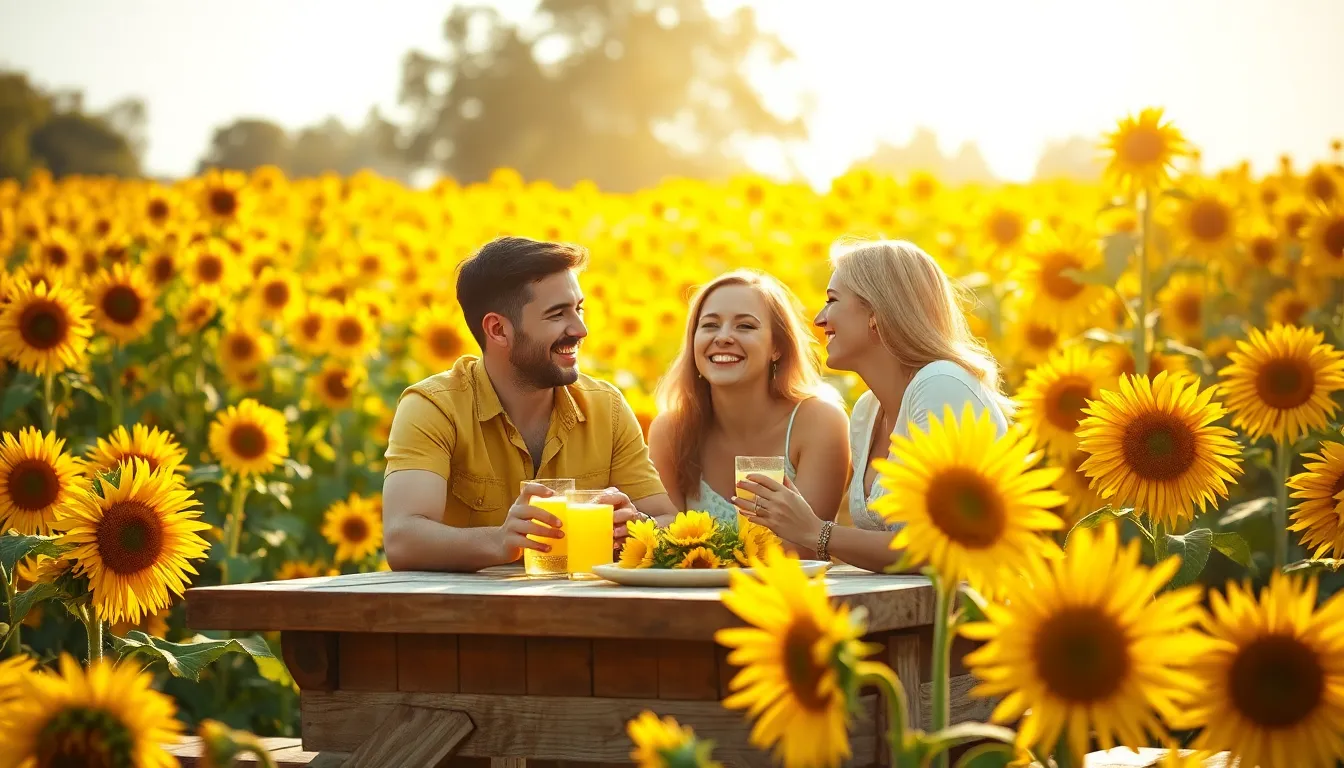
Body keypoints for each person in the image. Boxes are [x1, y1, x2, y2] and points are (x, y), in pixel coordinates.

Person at [381, 236, 679, 572]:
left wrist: (638, 526)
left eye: (578, 309)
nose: (581, 330)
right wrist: (500, 541)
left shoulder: (606, 407)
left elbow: (666, 517)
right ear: (498, 329)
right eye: (557, 314)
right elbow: (402, 539)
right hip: (465, 618)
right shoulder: (434, 407)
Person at [731, 240, 1013, 573]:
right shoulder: (867, 411)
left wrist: (815, 532)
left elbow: (941, 547)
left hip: (966, 615)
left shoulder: (942, 384)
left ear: (876, 313)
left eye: (832, 300)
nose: (819, 320)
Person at [647, 269, 849, 545]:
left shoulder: (819, 421)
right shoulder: (671, 430)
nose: (723, 337)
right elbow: (665, 544)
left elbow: (807, 547)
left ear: (777, 347)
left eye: (745, 326)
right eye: (709, 325)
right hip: (691, 588)